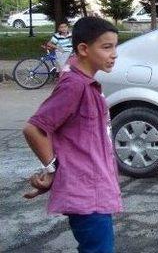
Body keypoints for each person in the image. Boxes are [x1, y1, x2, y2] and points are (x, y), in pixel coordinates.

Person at [22, 17, 121, 252]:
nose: (114, 54)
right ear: (84, 49)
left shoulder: (87, 84)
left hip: (96, 190)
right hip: (87, 195)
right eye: (106, 47)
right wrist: (52, 169)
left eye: (115, 46)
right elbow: (34, 129)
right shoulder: (74, 85)